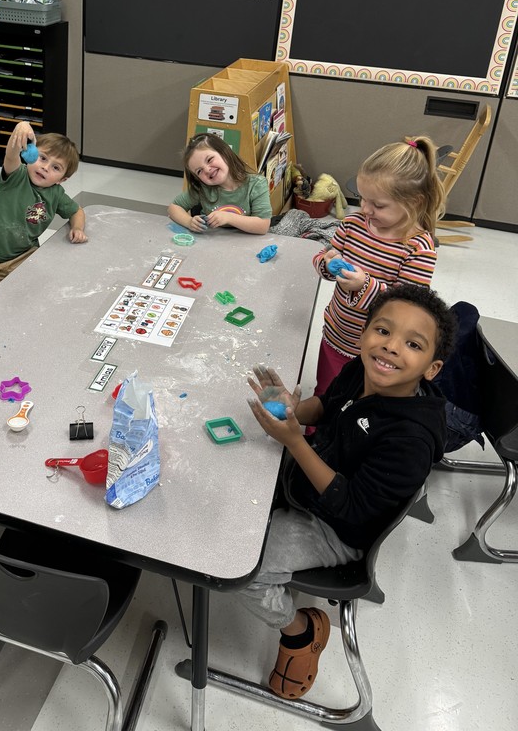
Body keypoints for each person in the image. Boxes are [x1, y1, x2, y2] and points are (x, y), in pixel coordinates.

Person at [241, 283, 455, 700]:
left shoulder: (411, 440)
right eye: (383, 331)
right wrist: (292, 409)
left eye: (412, 343)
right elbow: (325, 404)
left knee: (247, 570)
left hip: (337, 529)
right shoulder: (363, 368)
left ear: (431, 368)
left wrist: (295, 442)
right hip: (315, 477)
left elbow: (352, 507)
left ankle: (300, 631)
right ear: (363, 335)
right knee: (238, 474)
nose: (391, 347)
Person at [311, 135, 445, 399]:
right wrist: (327, 263)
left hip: (378, 352)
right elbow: (326, 255)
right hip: (337, 333)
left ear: (414, 202)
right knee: (326, 394)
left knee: (359, 403)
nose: (366, 209)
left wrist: (365, 285)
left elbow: (407, 307)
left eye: (378, 205)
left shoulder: (418, 247)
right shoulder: (352, 224)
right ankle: (317, 437)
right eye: (362, 198)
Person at [0, 120, 87, 301]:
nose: (45, 167)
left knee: (42, 299)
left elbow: (76, 211)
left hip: (25, 257)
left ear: (62, 179)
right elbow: (10, 156)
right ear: (29, 154)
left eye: (56, 167)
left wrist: (77, 228)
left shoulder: (55, 193)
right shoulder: (16, 176)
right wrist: (20, 128)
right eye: (43, 158)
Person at [167, 133, 272, 234]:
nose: (207, 170)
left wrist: (228, 217)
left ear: (224, 153)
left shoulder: (257, 184)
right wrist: (189, 222)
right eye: (199, 171)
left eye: (209, 160)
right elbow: (174, 207)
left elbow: (263, 226)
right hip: (212, 241)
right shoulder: (203, 189)